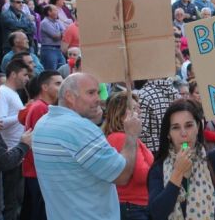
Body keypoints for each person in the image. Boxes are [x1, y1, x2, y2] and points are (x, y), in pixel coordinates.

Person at [32, 73, 143, 219]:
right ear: (70, 97)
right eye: (91, 93)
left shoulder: (42, 123)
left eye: (97, 92)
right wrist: (131, 135)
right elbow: (122, 175)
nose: (98, 99)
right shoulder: (80, 128)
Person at [102, 91, 154, 220]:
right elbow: (142, 175)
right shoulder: (121, 138)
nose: (140, 112)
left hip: (136, 206)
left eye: (139, 108)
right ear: (120, 116)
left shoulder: (126, 137)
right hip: (133, 208)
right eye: (134, 109)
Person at [19, 70, 62, 220]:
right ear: (44, 87)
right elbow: (44, 143)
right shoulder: (41, 108)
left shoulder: (42, 106)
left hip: (37, 172)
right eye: (57, 83)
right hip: (38, 172)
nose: (61, 87)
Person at [0, 59, 30, 220]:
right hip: (8, 155)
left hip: (16, 155)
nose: (27, 78)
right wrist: (23, 114)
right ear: (13, 74)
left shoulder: (12, 93)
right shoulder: (3, 93)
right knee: (10, 203)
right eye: (25, 74)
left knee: (15, 201)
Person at [138, 79, 181, 153]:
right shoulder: (175, 93)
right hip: (172, 147)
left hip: (151, 151)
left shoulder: (143, 95)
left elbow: (140, 131)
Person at [39, 4, 66, 70]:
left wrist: (61, 33)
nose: (57, 12)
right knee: (51, 71)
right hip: (49, 50)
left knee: (62, 68)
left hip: (58, 49)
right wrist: (62, 33)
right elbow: (55, 36)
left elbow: (65, 32)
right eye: (55, 10)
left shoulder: (57, 22)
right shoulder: (45, 23)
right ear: (49, 12)